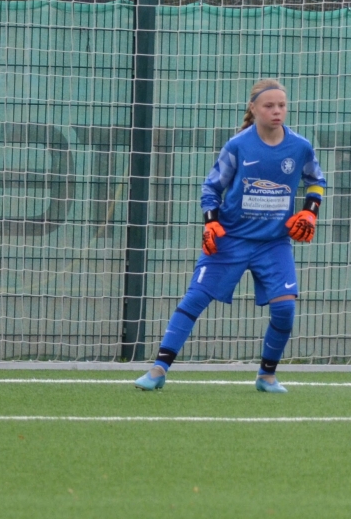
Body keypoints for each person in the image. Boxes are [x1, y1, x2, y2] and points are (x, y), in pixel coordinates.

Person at [135, 79, 325, 392]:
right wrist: (210, 223)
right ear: (254, 108)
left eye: (281, 105)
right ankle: (158, 370)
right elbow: (211, 187)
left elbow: (316, 181)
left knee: (285, 308)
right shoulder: (238, 146)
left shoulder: (300, 147)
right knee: (195, 298)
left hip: (273, 243)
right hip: (231, 240)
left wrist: (309, 212)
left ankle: (266, 376)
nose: (277, 111)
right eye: (269, 105)